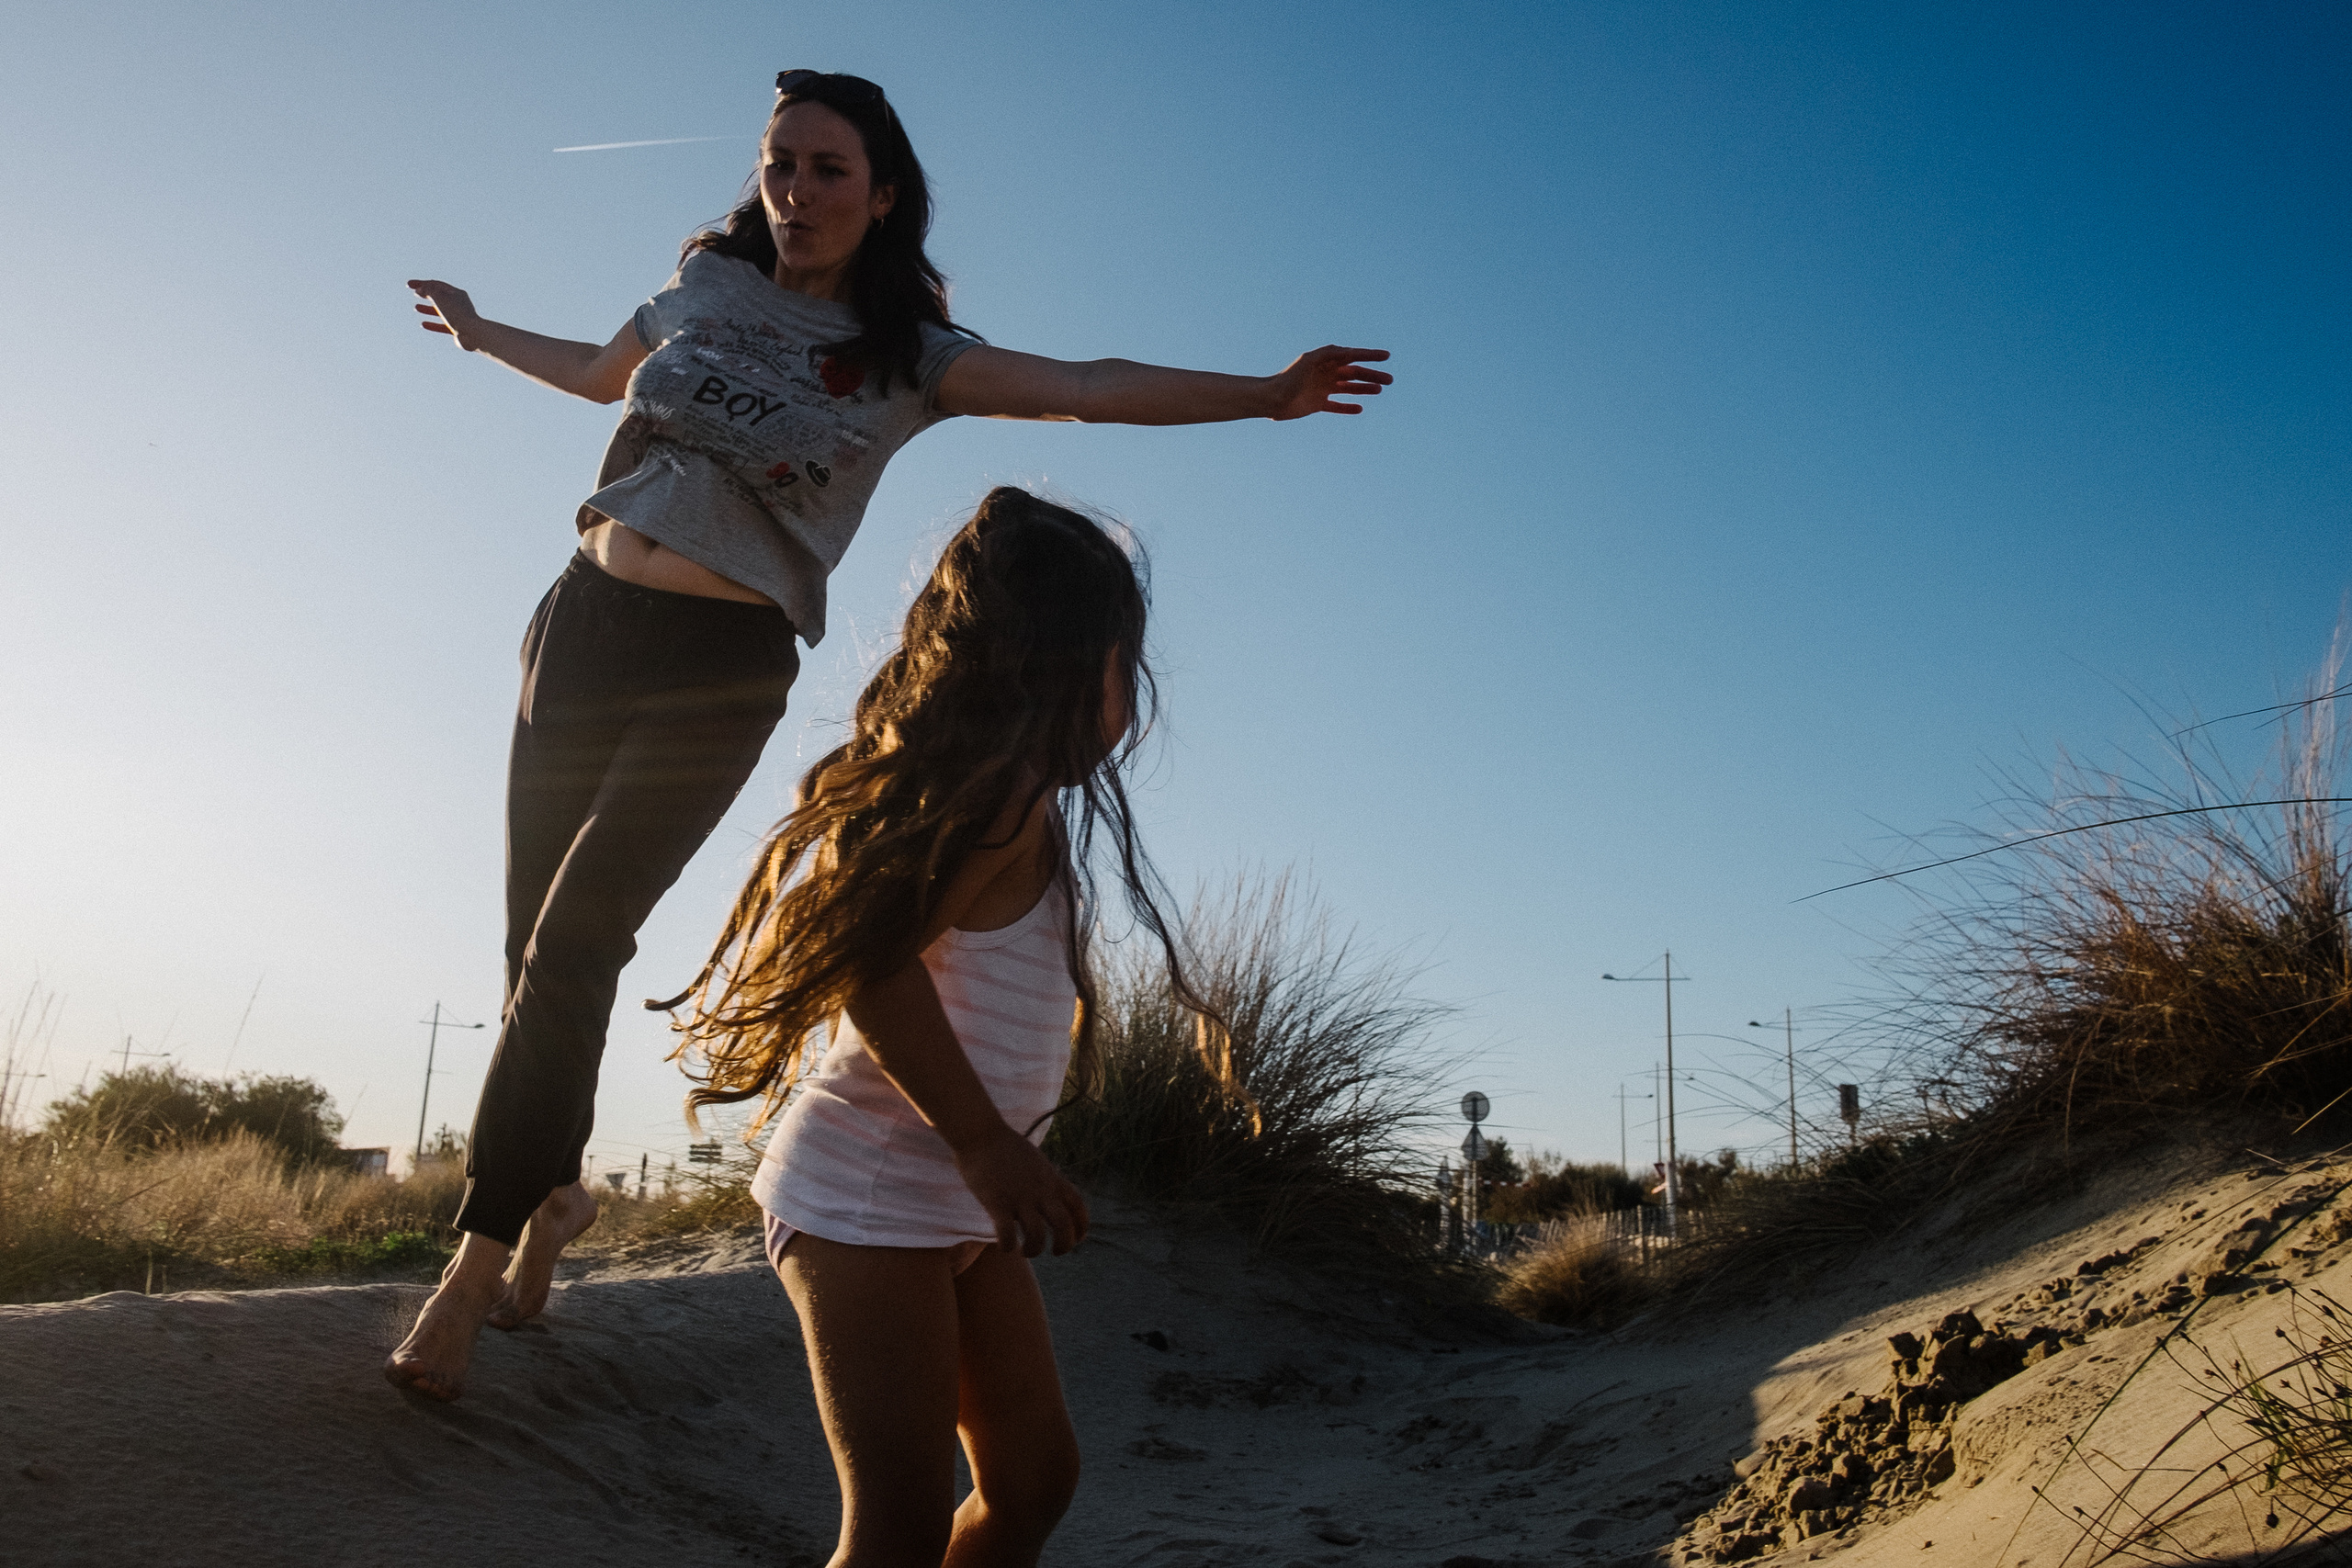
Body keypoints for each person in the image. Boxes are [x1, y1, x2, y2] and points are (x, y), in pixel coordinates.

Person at [384, 68, 1388, 1402]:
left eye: (825, 169)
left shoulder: (912, 353)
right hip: (580, 625)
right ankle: (552, 1192)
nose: (794, 191)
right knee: (529, 946)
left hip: (722, 662)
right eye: (778, 164)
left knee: (580, 936)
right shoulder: (699, 284)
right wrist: (477, 331)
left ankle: (473, 1258)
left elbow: (1085, 383)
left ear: (883, 193)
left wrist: (1264, 393)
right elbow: (588, 374)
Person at [667, 487, 1225, 1568]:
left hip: (952, 1211)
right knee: (898, 1527)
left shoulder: (1030, 800)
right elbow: (867, 969)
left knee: (1031, 1483)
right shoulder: (993, 800)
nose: (1132, 697)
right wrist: (983, 1143)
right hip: (866, 1198)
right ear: (1051, 666)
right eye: (1121, 662)